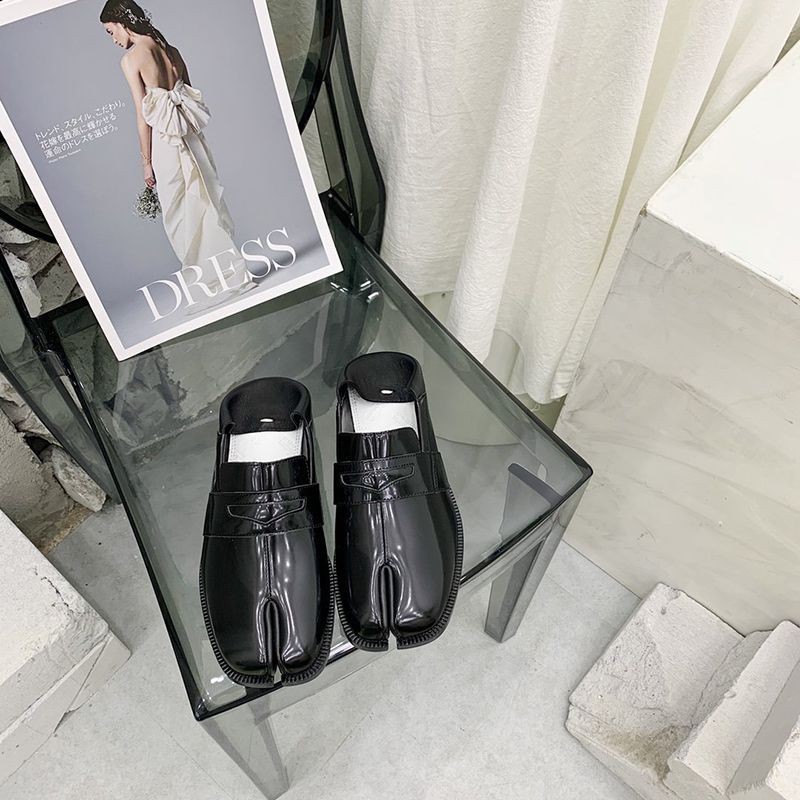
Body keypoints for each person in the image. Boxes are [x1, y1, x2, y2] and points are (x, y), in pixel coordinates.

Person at [100, 1, 237, 270]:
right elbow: (190, 97)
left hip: (166, 142)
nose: (112, 39)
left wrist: (146, 162)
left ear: (121, 22)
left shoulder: (131, 60)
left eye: (110, 31)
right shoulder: (173, 51)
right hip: (192, 139)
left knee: (180, 212)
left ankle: (207, 276)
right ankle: (225, 270)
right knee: (204, 202)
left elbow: (142, 117)